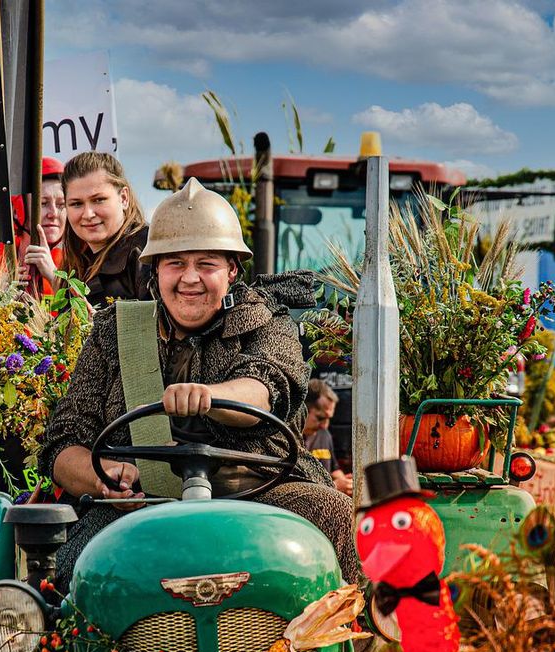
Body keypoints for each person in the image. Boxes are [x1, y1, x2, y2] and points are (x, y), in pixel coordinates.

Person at [40, 177, 360, 586]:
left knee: (339, 517)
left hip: (262, 497)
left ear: (232, 270)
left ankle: (361, 628)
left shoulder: (267, 322)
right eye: (175, 263)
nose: (190, 278)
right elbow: (64, 441)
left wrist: (210, 396)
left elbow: (266, 387)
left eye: (206, 264)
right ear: (155, 270)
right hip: (136, 507)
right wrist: (104, 479)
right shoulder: (114, 332)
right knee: (68, 574)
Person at [59, 151, 150, 308]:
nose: (88, 214)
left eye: (99, 200)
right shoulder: (76, 263)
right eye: (76, 204)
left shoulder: (148, 252)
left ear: (124, 198)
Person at [15, 157, 67, 296]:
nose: (53, 213)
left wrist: (53, 276)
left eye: (61, 204)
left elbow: (91, 309)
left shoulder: (83, 259)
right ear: (17, 210)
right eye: (43, 203)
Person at [303, 379, 353, 496]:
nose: (325, 425)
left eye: (329, 419)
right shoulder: (285, 439)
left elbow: (333, 469)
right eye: (320, 418)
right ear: (302, 410)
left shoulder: (324, 435)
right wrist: (334, 486)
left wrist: (346, 482)